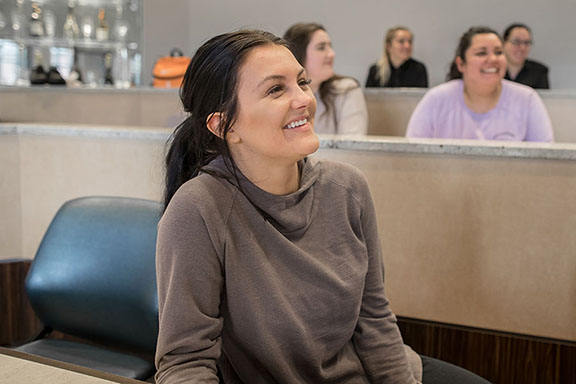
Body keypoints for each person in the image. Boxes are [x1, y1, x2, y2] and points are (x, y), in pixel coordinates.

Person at [155, 29, 492, 384]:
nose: (303, 99)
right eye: (275, 89)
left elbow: (373, 321)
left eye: (302, 82)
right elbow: (185, 363)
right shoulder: (199, 209)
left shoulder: (347, 188)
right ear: (225, 125)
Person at [406, 26, 553, 142]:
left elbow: (544, 160)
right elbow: (413, 156)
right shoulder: (436, 99)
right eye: (481, 53)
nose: (493, 59)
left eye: (498, 52)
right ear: (461, 64)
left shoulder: (527, 99)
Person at [283, 22, 368, 135]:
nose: (332, 54)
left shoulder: (347, 89)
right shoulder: (281, 97)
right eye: (321, 47)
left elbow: (353, 146)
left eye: (330, 46)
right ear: (298, 54)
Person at [503, 23, 549, 89]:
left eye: (526, 43)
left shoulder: (539, 71)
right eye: (516, 42)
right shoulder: (495, 69)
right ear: (504, 43)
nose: (522, 47)